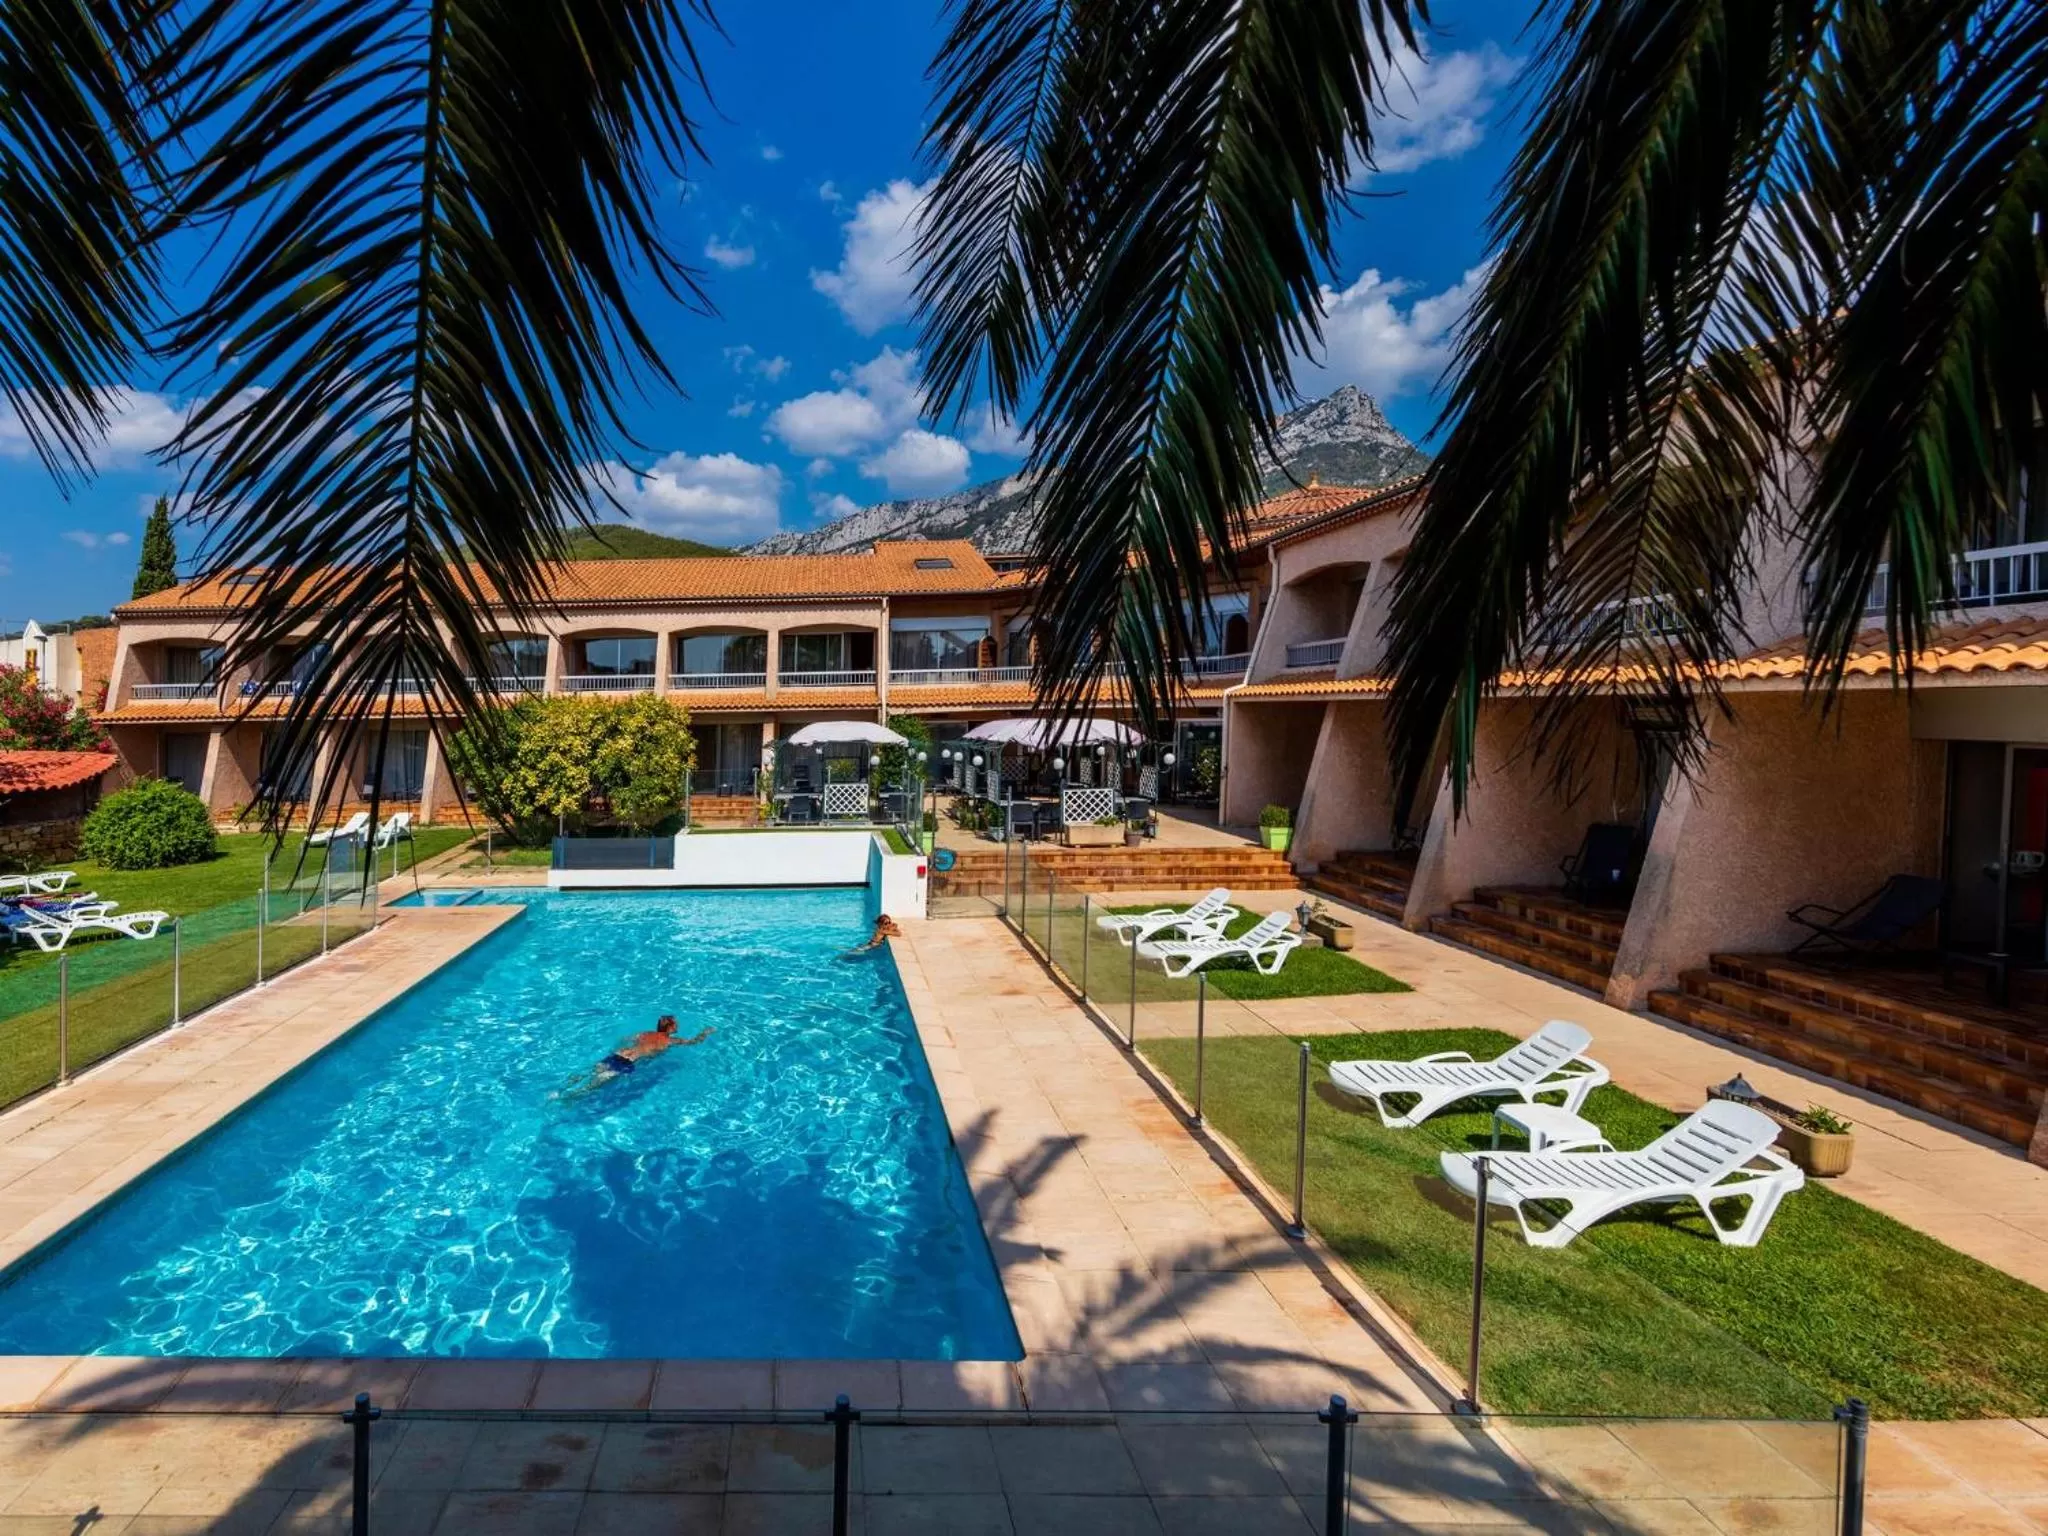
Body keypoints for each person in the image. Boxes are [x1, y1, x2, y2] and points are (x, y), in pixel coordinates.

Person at [560, 1015, 713, 1098]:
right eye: (676, 1024)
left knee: (589, 1072)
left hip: (620, 1053)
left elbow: (625, 1040)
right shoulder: (671, 1040)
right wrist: (705, 1033)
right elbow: (694, 1042)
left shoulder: (645, 1033)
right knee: (595, 1084)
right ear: (670, 1027)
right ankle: (570, 1097)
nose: (678, 1026)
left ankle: (560, 1090)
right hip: (629, 1062)